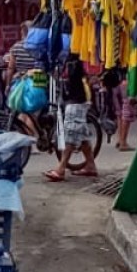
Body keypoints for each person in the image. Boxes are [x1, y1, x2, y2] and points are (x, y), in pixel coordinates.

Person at [44, 52, 98, 182]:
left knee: (70, 134)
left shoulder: (74, 56)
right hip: (77, 99)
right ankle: (90, 165)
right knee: (82, 134)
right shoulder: (69, 56)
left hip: (77, 99)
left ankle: (61, 169)